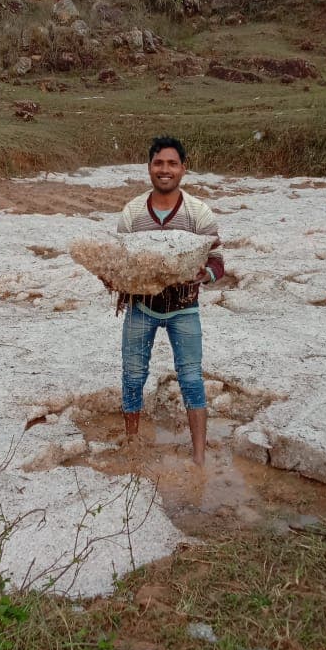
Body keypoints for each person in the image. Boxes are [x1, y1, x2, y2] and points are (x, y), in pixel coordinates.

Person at [115, 136, 224, 466]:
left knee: (191, 379)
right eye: (159, 163)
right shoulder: (132, 213)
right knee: (133, 376)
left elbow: (218, 260)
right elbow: (120, 259)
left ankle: (199, 458)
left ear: (183, 169)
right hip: (141, 307)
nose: (165, 170)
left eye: (172, 164)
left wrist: (203, 275)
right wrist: (118, 281)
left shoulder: (198, 213)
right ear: (149, 168)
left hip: (184, 309)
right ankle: (132, 445)